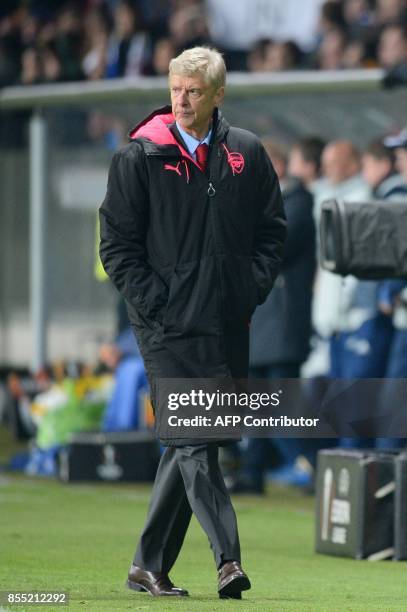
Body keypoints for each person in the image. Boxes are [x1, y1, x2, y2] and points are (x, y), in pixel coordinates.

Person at [99, 46, 286, 599]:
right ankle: (228, 560)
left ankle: (145, 565)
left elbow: (272, 232)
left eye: (194, 91)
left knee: (190, 442)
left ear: (218, 95)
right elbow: (117, 246)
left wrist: (248, 290)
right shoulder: (139, 157)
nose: (181, 99)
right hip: (164, 327)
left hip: (226, 322)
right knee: (196, 441)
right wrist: (156, 303)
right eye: (176, 87)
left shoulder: (247, 153)